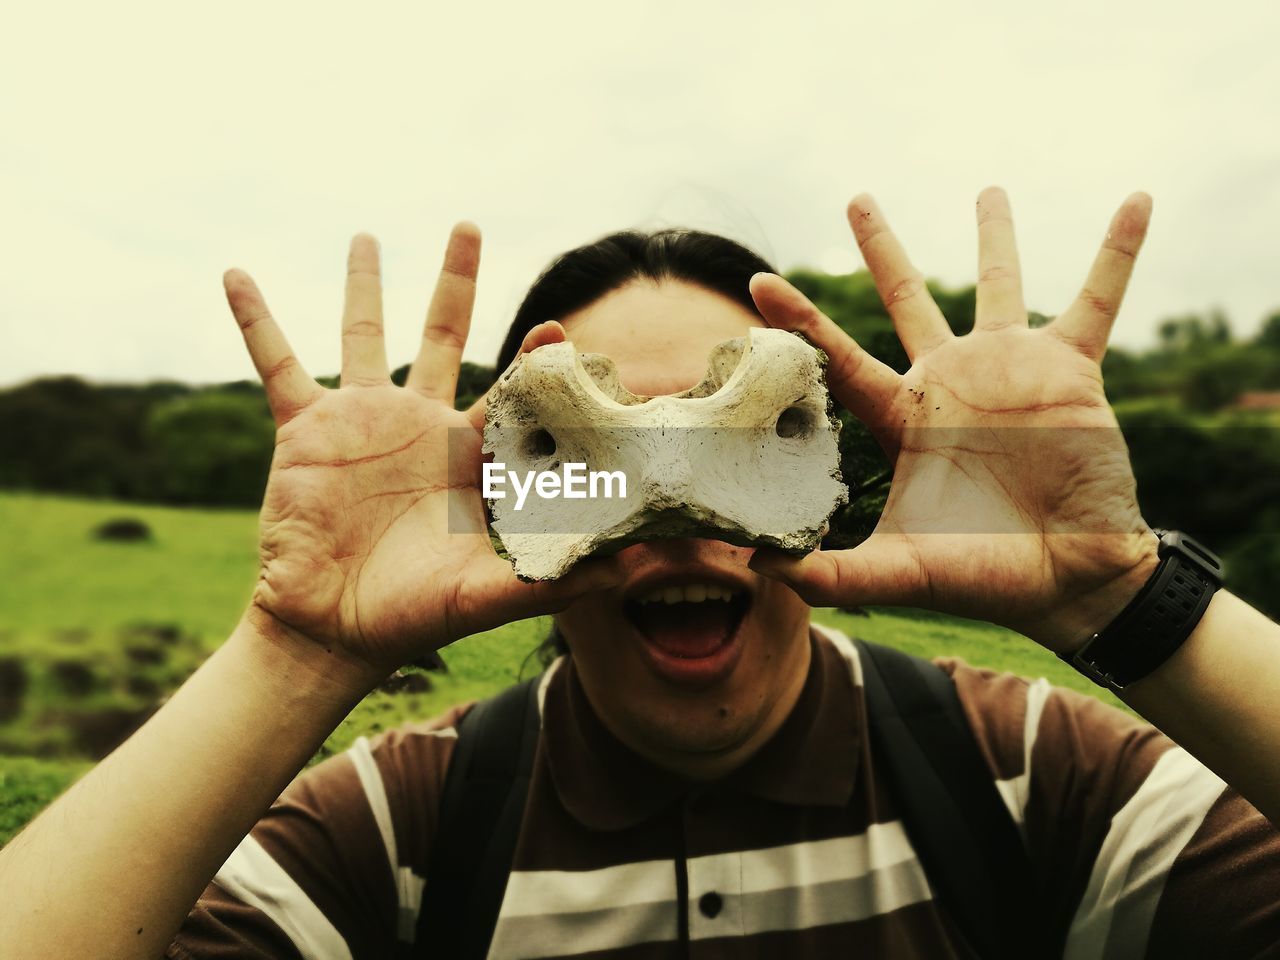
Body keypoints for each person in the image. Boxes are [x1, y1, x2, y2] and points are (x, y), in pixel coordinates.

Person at [2, 188, 1279, 960]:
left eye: (748, 439)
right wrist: (294, 652)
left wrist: (1118, 595)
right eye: (591, 456)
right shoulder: (390, 839)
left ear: (827, 468)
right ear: (511, 490)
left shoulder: (1033, 780)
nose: (674, 514)